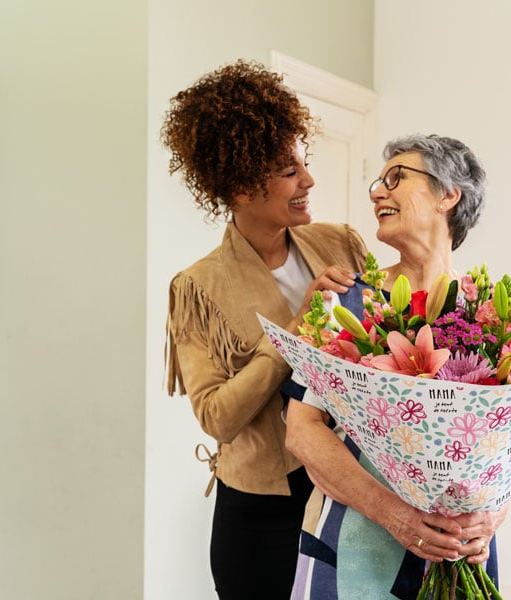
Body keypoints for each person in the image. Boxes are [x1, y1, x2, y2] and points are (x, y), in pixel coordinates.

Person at [161, 60, 367, 599]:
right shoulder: (198, 288)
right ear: (243, 186)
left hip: (347, 495)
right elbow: (217, 417)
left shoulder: (340, 244)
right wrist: (293, 333)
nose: (309, 181)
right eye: (288, 170)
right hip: (259, 519)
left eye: (305, 163)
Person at [285, 134, 507, 599]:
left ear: (449, 195)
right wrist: (398, 517)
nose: (377, 192)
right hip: (353, 546)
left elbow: (509, 451)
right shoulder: (341, 302)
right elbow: (302, 430)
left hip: (457, 554)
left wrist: (491, 518)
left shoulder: (489, 315)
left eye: (396, 178)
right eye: (378, 182)